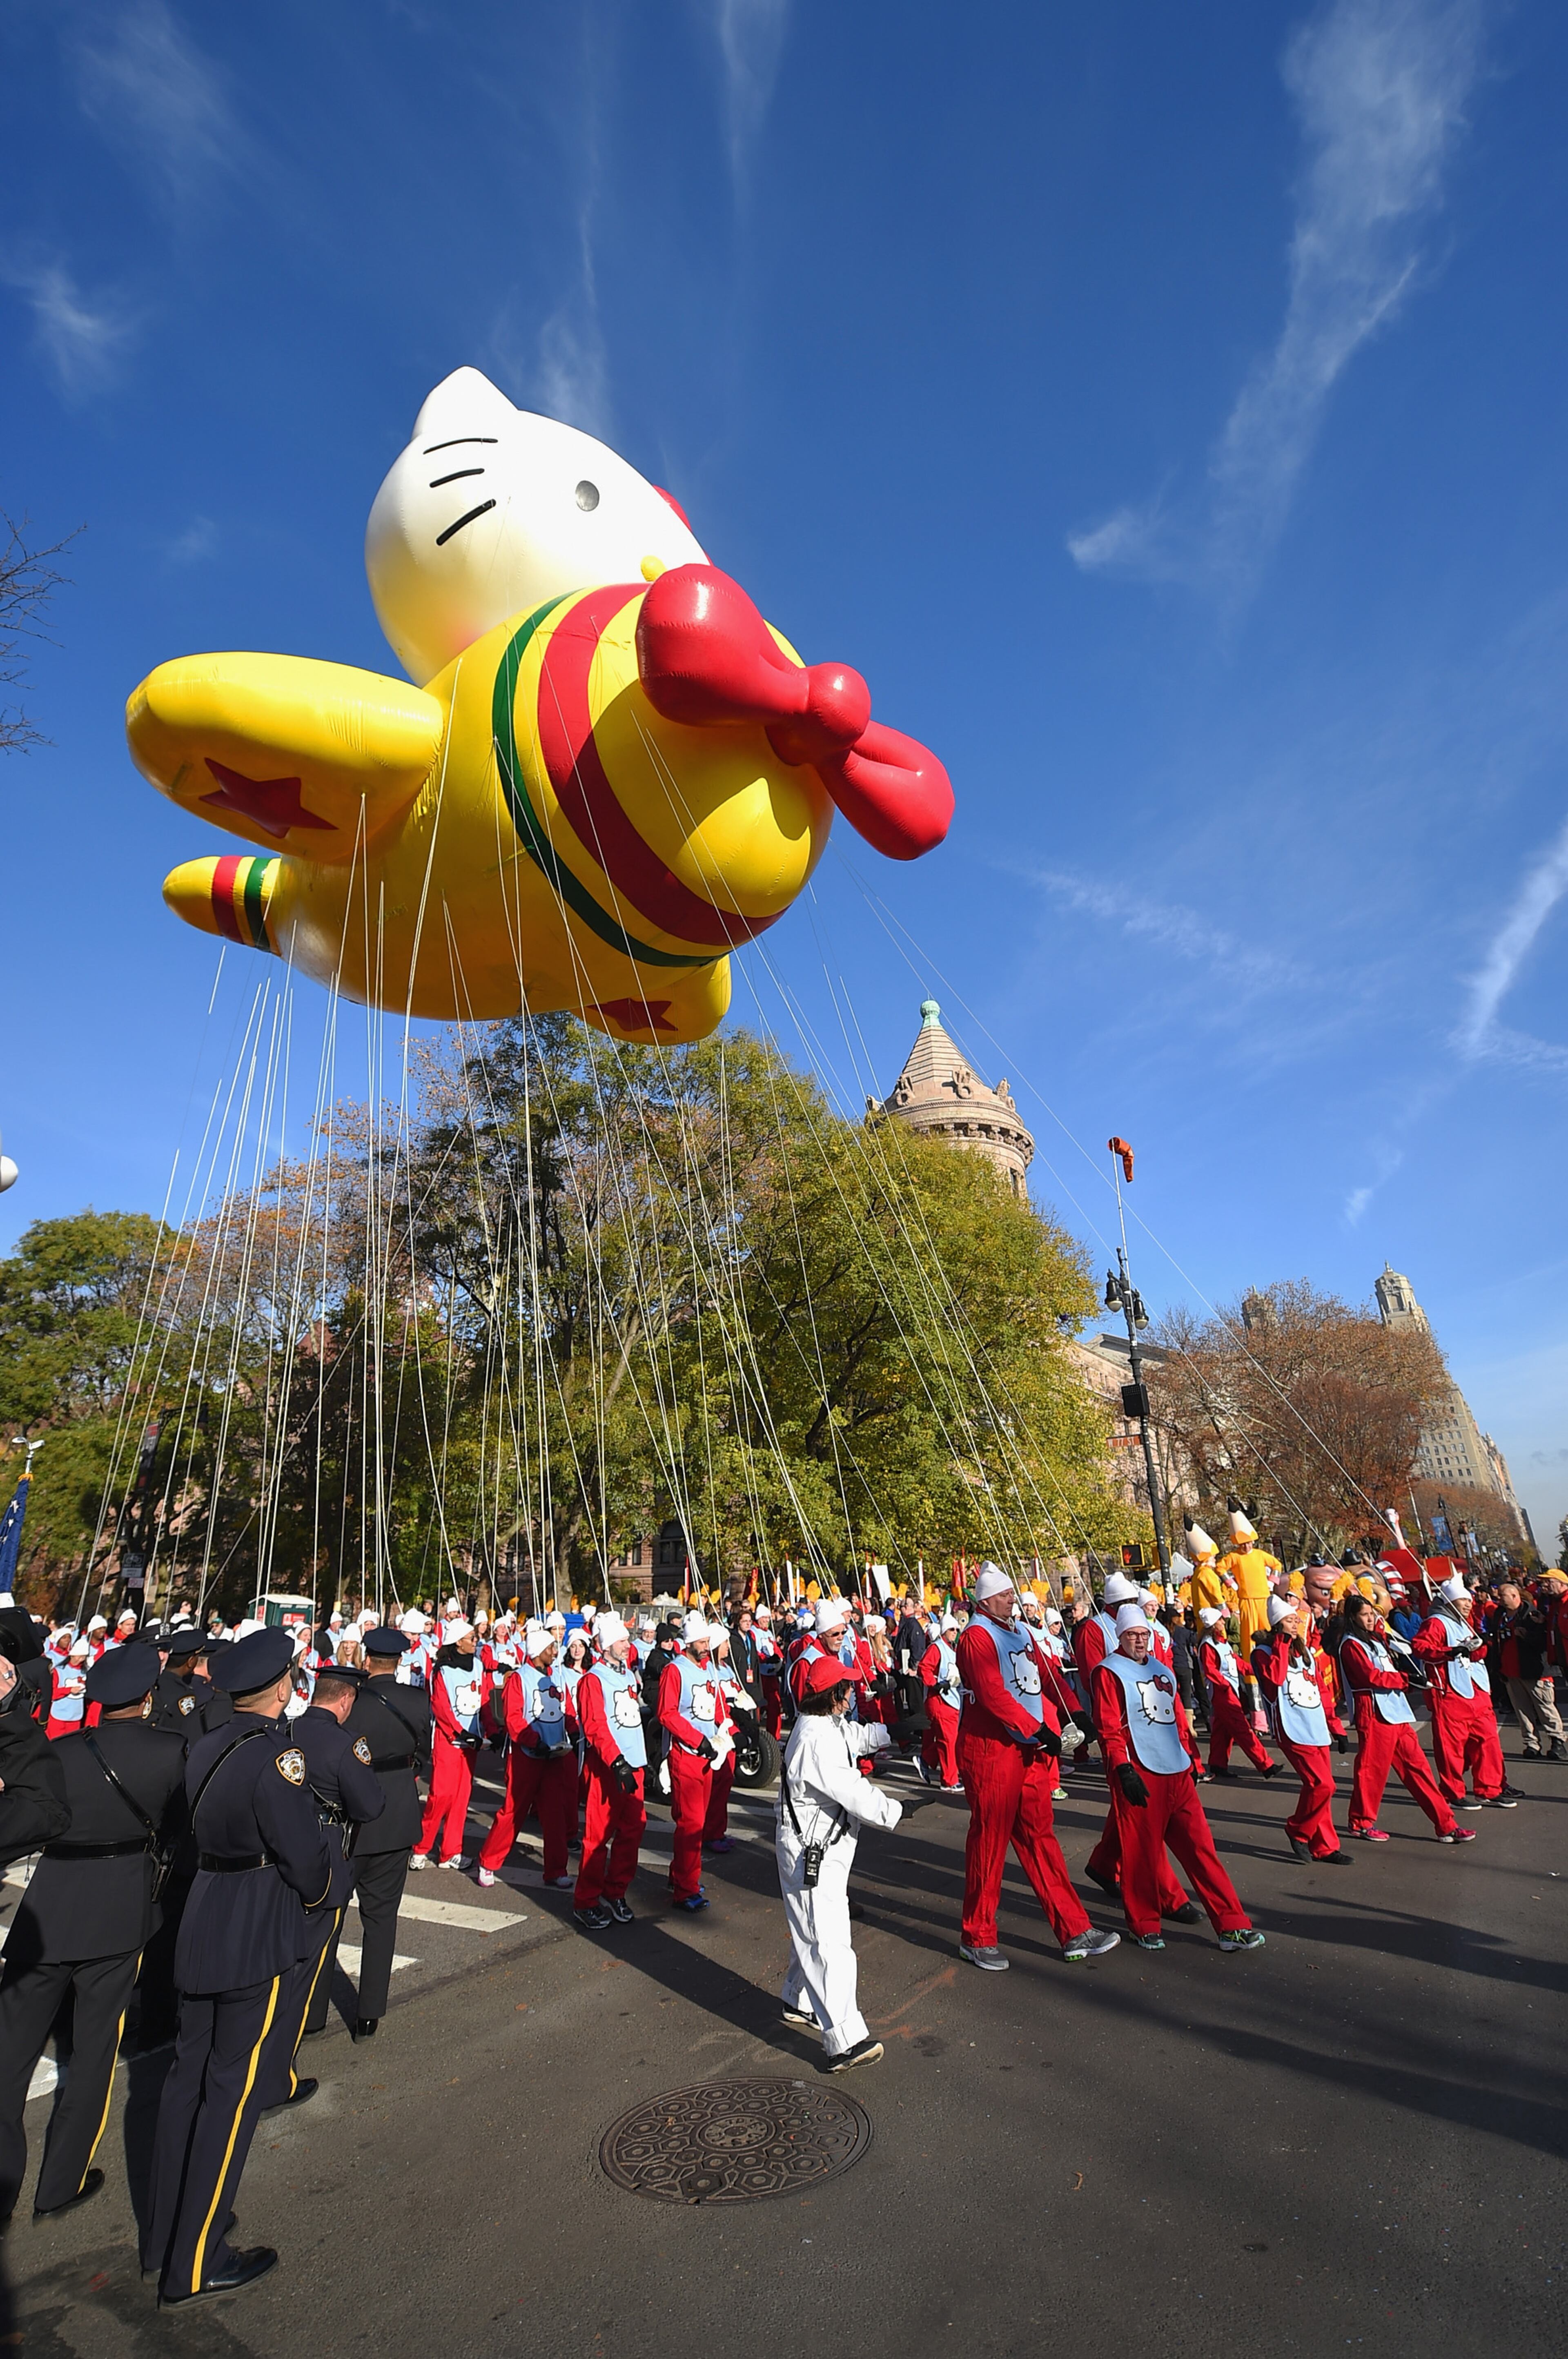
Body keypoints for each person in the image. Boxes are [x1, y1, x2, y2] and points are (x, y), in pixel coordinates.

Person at [143, 1627, 333, 2306]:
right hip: (253, 1922)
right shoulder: (277, 1757)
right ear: (280, 1686)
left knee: (184, 2082)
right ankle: (195, 2260)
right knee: (231, 2096)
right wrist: (315, 1896)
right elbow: (302, 1854)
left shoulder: (207, 1745)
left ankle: (165, 2234)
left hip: (204, 1913)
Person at [0, 1644, 185, 2223]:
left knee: (9, 2054)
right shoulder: (170, 1752)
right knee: (94, 2051)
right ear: (148, 1697)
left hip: (51, 1902)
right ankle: (61, 2182)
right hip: (118, 1906)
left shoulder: (57, 1751)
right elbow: (177, 1832)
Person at [954, 1564, 1119, 1971]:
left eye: (1013, 1593)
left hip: (1026, 1749)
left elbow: (1049, 1675)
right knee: (989, 1843)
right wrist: (1040, 1729)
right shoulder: (976, 1637)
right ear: (985, 1600)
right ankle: (977, 1936)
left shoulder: (1022, 1633)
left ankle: (1074, 1929)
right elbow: (993, 1694)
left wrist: (1076, 1712)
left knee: (1040, 1837)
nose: (1013, 1599)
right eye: (1005, 1594)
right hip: (991, 1751)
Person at [776, 1655, 928, 2069]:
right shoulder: (815, 1738)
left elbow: (854, 1738)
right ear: (833, 1695)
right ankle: (844, 2040)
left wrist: (891, 1730)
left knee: (813, 1928)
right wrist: (897, 1809)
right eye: (847, 1686)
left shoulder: (825, 1725)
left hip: (825, 1847)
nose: (852, 1691)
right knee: (827, 1941)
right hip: (813, 1849)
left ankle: (798, 1998)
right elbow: (852, 1788)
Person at [1091, 1606, 1264, 1952]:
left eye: (1143, 1635)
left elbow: (1176, 1723)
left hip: (1176, 1771)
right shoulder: (1107, 1671)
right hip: (1139, 1770)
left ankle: (1232, 1924)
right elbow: (1109, 1727)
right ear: (1120, 1637)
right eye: (1132, 1635)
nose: (1139, 1641)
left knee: (1202, 1849)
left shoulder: (1162, 1670)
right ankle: (1144, 1924)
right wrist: (1123, 1768)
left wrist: (1191, 1763)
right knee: (1141, 1854)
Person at [262, 1659, 385, 2099]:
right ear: (347, 1698)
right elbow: (369, 1806)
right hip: (327, 1855)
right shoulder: (347, 1744)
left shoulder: (285, 1731)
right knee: (302, 1973)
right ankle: (277, 2076)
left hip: (282, 1854)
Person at [337, 1628, 430, 2040]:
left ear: (368, 1659)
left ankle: (314, 2009)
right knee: (381, 1918)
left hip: (351, 1813)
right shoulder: (416, 1699)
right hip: (396, 1809)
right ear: (398, 1661)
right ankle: (370, 2012)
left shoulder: (350, 1698)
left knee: (330, 1916)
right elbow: (422, 1756)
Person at [1336, 1596, 1472, 1844]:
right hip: (1375, 1714)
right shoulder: (1350, 1645)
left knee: (1419, 1770)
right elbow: (1370, 1676)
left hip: (1397, 1713)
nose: (1370, 1618)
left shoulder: (1377, 1640)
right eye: (1364, 1614)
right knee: (1371, 1772)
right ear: (1353, 1617)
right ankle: (1361, 1823)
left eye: (1373, 1613)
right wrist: (1405, 1679)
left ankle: (1446, 1825)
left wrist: (1404, 1675)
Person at [477, 1619, 577, 1889]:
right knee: (513, 1810)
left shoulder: (557, 1675)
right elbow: (514, 1719)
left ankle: (556, 1869)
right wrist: (535, 1741)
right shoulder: (520, 1678)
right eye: (550, 1648)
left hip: (554, 1755)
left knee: (555, 1814)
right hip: (527, 1756)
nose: (555, 1652)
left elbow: (566, 1709)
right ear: (536, 1651)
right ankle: (489, 1861)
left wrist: (574, 1730)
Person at [1251, 1594, 1349, 1864]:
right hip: (1291, 1728)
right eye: (1289, 1620)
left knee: (1321, 1789)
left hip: (1316, 1726)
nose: (1295, 1624)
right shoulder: (1263, 1652)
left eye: (1296, 1619)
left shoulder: (1305, 1651)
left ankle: (1325, 1846)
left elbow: (1322, 1691)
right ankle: (1298, 1829)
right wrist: (1282, 1642)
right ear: (1276, 1624)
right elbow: (1276, 1678)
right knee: (1322, 1785)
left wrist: (1336, 1726)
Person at [1413, 1575, 1521, 1811]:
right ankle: (1453, 1792)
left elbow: (1476, 1653)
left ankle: (1490, 1789)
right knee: (1451, 1747)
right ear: (1451, 1602)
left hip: (1477, 1691)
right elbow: (1421, 1648)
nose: (1468, 1604)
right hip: (1451, 1693)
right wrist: (1451, 1651)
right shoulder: (1436, 1623)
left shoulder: (1466, 1622)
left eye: (1469, 1600)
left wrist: (1479, 1647)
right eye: (1463, 1600)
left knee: (1488, 1742)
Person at [573, 1613, 648, 1931]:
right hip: (608, 1768)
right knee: (597, 1837)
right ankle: (586, 1900)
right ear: (605, 1646)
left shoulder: (628, 1675)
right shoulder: (593, 1679)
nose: (627, 1643)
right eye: (621, 1640)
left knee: (632, 1831)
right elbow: (595, 1726)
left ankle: (616, 1890)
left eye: (627, 1639)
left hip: (636, 1766)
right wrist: (617, 1762)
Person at [657, 1613, 734, 1911]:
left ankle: (680, 1875)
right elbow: (667, 1713)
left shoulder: (707, 1669)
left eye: (707, 1641)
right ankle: (686, 1889)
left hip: (708, 1756)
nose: (706, 1646)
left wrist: (733, 1732)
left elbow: (717, 1710)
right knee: (690, 1824)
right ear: (688, 1642)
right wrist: (696, 1739)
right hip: (686, 1755)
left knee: (698, 1823)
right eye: (702, 1642)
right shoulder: (675, 1670)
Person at [410, 1617, 489, 1870]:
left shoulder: (478, 1665)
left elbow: (485, 1699)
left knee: (461, 1799)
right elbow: (441, 1707)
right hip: (449, 1742)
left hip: (471, 1744)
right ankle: (421, 1848)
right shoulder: (441, 1670)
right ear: (458, 1644)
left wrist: (494, 1730)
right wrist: (459, 1732)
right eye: (471, 1639)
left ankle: (451, 1852)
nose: (475, 1642)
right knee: (440, 1796)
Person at [1196, 1608, 1277, 1780]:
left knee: (1222, 1731)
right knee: (1242, 1730)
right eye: (1221, 1620)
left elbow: (1238, 1664)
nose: (1224, 1623)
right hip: (1223, 1693)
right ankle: (1266, 1765)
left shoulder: (1222, 1644)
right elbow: (1211, 1671)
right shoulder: (1208, 1645)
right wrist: (1225, 1687)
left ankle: (1218, 1765)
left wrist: (1258, 1670)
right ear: (1213, 1624)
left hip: (1228, 1691)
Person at [1490, 1578, 1566, 1760]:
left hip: (1534, 1672)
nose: (1499, 1598)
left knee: (1545, 1709)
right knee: (1522, 1711)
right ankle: (1532, 1744)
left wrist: (1528, 1636)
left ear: (1515, 1596)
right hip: (1511, 1672)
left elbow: (1544, 1643)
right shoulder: (1500, 1616)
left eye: (1503, 1595)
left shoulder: (1532, 1615)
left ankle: (1558, 1742)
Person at [916, 1611, 963, 1788]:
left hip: (953, 1699)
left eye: (957, 1629)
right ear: (944, 1630)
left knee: (953, 1739)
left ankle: (926, 1759)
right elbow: (924, 1669)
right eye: (951, 1629)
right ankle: (949, 1781)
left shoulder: (952, 1648)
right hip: (940, 1700)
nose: (955, 1632)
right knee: (948, 1741)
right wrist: (936, 1683)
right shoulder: (937, 1648)